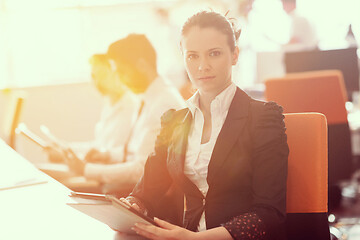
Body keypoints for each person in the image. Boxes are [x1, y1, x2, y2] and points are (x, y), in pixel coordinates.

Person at [121, 11, 289, 240]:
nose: (202, 66)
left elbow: (269, 214)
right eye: (192, 56)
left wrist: (193, 239)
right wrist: (128, 207)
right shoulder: (174, 122)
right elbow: (145, 193)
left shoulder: (263, 118)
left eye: (214, 54)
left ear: (235, 55)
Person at [66, 34, 186, 194]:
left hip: (145, 196)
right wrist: (107, 155)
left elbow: (141, 170)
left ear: (142, 65)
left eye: (122, 72)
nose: (120, 79)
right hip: (132, 189)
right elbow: (136, 151)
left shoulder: (163, 104)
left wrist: (87, 170)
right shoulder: (148, 97)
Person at [45, 53, 140, 166]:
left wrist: (65, 155)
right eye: (94, 76)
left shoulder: (130, 109)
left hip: (106, 173)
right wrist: (65, 147)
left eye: (102, 75)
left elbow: (110, 155)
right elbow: (98, 146)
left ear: (116, 73)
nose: (97, 82)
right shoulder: (109, 105)